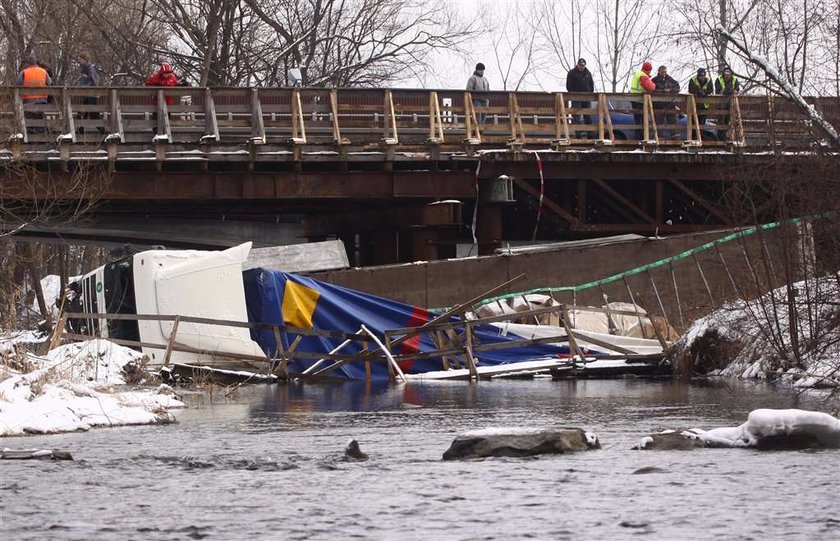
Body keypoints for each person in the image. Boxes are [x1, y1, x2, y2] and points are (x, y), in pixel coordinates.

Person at [566, 57, 595, 136]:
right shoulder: (572, 73)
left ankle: (590, 135)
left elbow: (591, 84)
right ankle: (577, 134)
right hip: (576, 98)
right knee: (576, 115)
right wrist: (573, 94)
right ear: (577, 65)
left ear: (585, 65)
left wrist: (590, 93)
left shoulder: (588, 73)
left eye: (583, 65)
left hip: (586, 98)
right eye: (580, 65)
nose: (581, 67)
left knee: (587, 115)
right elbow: (569, 86)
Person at [651, 65, 680, 139]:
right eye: (662, 72)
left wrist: (670, 90)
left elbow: (677, 87)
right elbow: (652, 90)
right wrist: (662, 91)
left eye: (665, 72)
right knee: (659, 122)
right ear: (659, 72)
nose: (664, 73)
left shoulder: (670, 79)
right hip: (659, 105)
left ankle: (674, 137)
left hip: (669, 104)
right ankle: (659, 138)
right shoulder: (654, 80)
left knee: (672, 121)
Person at [629, 61, 656, 139]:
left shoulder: (638, 74)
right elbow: (650, 88)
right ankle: (640, 138)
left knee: (638, 120)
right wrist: (654, 85)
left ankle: (639, 137)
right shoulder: (643, 76)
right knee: (641, 121)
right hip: (639, 101)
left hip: (635, 99)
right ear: (649, 70)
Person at [715, 67, 740, 138]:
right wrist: (729, 90)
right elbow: (718, 91)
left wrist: (729, 91)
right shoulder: (719, 79)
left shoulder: (735, 79)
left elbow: (737, 90)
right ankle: (720, 138)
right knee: (720, 122)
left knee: (728, 121)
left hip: (731, 104)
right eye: (726, 74)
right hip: (720, 104)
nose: (727, 76)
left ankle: (727, 137)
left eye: (729, 74)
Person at [77, 52, 100, 129]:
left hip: (92, 94)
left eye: (80, 59)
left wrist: (84, 87)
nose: (79, 61)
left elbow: (94, 82)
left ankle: (102, 132)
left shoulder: (90, 68)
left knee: (93, 114)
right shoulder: (84, 69)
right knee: (82, 113)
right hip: (86, 94)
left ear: (85, 59)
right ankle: (80, 130)